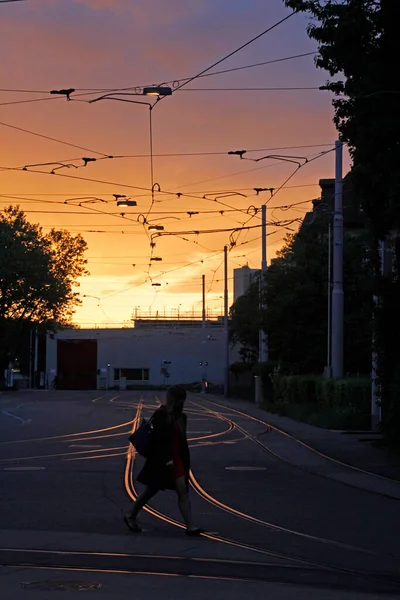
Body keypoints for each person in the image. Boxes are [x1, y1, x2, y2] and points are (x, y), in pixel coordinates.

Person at [125, 385, 204, 536]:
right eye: (181, 400)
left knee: (182, 491)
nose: (182, 403)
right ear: (175, 399)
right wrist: (167, 460)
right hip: (162, 460)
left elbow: (182, 441)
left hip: (178, 459)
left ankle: (190, 526)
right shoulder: (161, 414)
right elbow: (158, 440)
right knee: (151, 490)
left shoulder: (182, 417)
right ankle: (131, 515)